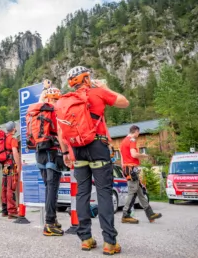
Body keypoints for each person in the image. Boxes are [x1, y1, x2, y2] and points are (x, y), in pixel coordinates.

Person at [58, 66, 129, 255]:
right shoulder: (98, 92)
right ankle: (109, 242)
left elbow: (60, 132)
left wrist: (66, 154)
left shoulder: (66, 101)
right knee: (104, 193)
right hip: (98, 147)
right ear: (87, 78)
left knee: (82, 193)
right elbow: (124, 102)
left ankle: (86, 239)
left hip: (77, 150)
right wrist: (105, 87)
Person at [35, 86, 64, 236]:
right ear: (54, 99)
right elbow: (60, 132)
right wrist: (66, 151)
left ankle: (52, 219)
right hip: (52, 152)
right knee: (53, 187)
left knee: (48, 187)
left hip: (39, 152)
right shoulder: (54, 111)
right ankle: (50, 223)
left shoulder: (38, 110)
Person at [120, 125, 162, 224]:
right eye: (138, 133)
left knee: (140, 193)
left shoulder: (123, 141)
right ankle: (125, 215)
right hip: (132, 169)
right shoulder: (132, 140)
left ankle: (150, 213)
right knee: (132, 192)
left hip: (127, 168)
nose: (138, 135)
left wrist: (124, 170)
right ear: (136, 131)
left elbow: (122, 158)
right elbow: (134, 154)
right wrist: (144, 155)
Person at [1, 121, 21, 219]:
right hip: (11, 166)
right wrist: (18, 166)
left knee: (4, 186)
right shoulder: (13, 139)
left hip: (5, 166)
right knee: (11, 187)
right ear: (13, 128)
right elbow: (15, 153)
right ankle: (12, 211)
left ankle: (4, 210)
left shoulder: (3, 139)